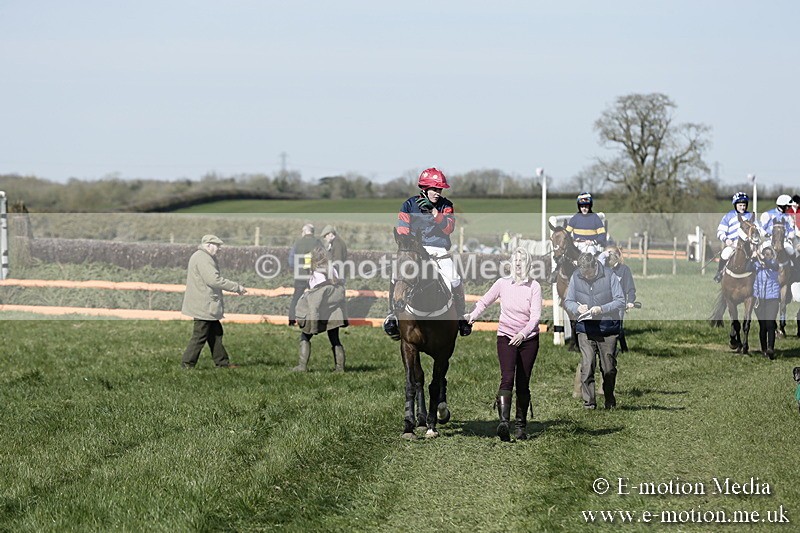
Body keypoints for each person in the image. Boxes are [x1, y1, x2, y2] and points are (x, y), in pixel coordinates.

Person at [384, 167, 472, 338]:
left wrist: (434, 213)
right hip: (414, 251)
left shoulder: (446, 206)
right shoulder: (408, 205)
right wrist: (407, 248)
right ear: (424, 188)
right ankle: (392, 315)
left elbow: (448, 228)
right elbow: (402, 230)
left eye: (439, 189)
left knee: (454, 278)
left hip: (438, 250)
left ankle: (461, 316)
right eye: (434, 189)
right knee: (396, 276)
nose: (437, 193)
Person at [466, 247, 542, 441]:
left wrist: (523, 334)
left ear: (528, 264)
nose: (518, 263)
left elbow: (535, 317)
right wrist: (472, 317)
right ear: (511, 263)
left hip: (528, 340)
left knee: (523, 382)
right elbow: (484, 302)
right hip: (506, 336)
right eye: (515, 260)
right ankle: (503, 423)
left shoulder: (534, 287)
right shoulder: (502, 283)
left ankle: (521, 426)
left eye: (522, 260)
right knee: (507, 377)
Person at [564, 252, 626, 410]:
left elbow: (620, 300)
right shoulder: (576, 277)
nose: (585, 276)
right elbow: (568, 301)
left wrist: (602, 309)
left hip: (607, 328)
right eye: (583, 274)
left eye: (588, 273)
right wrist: (577, 308)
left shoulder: (610, 275)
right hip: (585, 328)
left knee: (608, 368)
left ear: (595, 266)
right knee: (587, 364)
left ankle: (609, 398)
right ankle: (589, 403)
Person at [180, 234, 247, 369]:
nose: (219, 249)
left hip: (204, 303)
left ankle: (222, 363)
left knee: (215, 333)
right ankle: (187, 364)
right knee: (200, 335)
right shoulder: (204, 259)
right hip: (204, 304)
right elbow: (214, 280)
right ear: (208, 245)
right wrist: (236, 287)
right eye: (217, 246)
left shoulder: (200, 256)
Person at [292, 246, 348, 372]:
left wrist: (314, 326)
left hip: (319, 312)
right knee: (335, 340)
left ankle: (302, 366)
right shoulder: (333, 269)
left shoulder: (316, 274)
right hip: (334, 312)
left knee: (305, 337)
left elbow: (314, 302)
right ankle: (340, 368)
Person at [715, 191, 756, 283]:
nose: (742, 207)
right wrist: (726, 240)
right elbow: (720, 231)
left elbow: (757, 229)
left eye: (744, 205)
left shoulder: (750, 216)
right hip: (733, 244)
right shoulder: (729, 216)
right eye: (740, 205)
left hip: (748, 245)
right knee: (725, 254)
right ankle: (719, 273)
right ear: (735, 205)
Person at [288, 224, 322, 326]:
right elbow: (323, 257)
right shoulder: (317, 242)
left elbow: (291, 259)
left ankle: (292, 320)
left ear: (304, 232)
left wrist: (297, 268)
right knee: (316, 298)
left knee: (296, 297)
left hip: (300, 275)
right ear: (313, 232)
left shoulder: (298, 243)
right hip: (314, 275)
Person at [605, 245, 637, 353]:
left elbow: (630, 288)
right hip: (605, 304)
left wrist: (631, 301)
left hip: (619, 304)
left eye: (610, 254)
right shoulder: (603, 269)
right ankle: (618, 349)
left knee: (617, 326)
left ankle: (619, 349)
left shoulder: (624, 270)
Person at [753, 244, 781, 359]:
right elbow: (748, 266)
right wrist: (752, 257)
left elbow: (772, 265)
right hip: (760, 299)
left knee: (770, 324)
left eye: (768, 255)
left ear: (772, 256)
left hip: (772, 299)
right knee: (763, 326)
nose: (766, 256)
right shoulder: (756, 265)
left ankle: (770, 349)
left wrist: (763, 259)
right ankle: (764, 349)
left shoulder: (774, 264)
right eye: (764, 254)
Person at [565, 192, 607, 259]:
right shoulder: (574, 218)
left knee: (589, 254)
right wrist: (573, 240)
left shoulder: (595, 218)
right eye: (582, 206)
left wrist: (593, 242)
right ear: (579, 206)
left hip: (591, 246)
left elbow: (602, 235)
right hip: (577, 245)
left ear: (590, 206)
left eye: (586, 206)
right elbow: (566, 234)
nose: (584, 208)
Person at [759, 194, 796, 259]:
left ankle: (795, 268)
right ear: (782, 205)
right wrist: (767, 235)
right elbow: (761, 229)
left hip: (784, 241)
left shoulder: (788, 217)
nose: (789, 208)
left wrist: (789, 238)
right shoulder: (768, 214)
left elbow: (791, 231)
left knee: (791, 251)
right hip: (769, 240)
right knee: (761, 250)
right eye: (787, 206)